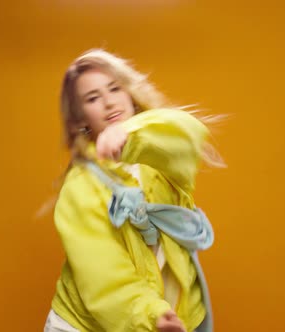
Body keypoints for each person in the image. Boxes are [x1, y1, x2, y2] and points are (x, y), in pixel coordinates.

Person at [44, 49, 223, 332]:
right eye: (92, 98)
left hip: (172, 318)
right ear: (80, 119)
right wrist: (151, 315)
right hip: (91, 325)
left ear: (130, 93)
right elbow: (104, 277)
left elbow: (188, 135)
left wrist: (132, 136)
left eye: (115, 88)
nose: (108, 102)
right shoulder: (80, 189)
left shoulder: (160, 161)